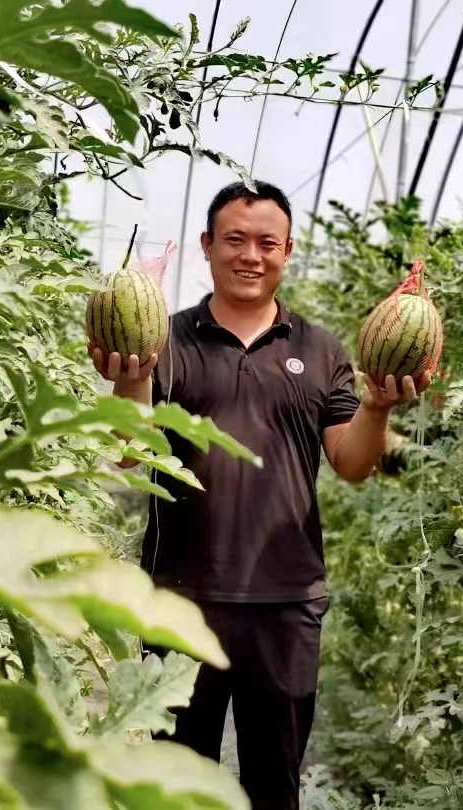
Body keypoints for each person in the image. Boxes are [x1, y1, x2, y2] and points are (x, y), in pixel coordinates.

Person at [88, 181, 429, 809]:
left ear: (287, 251)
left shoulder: (320, 350)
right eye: (235, 240)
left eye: (267, 243)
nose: (251, 255)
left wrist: (378, 406)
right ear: (207, 245)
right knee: (176, 787)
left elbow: (352, 464)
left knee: (274, 784)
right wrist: (132, 382)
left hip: (287, 603)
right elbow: (129, 455)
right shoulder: (166, 340)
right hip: (180, 600)